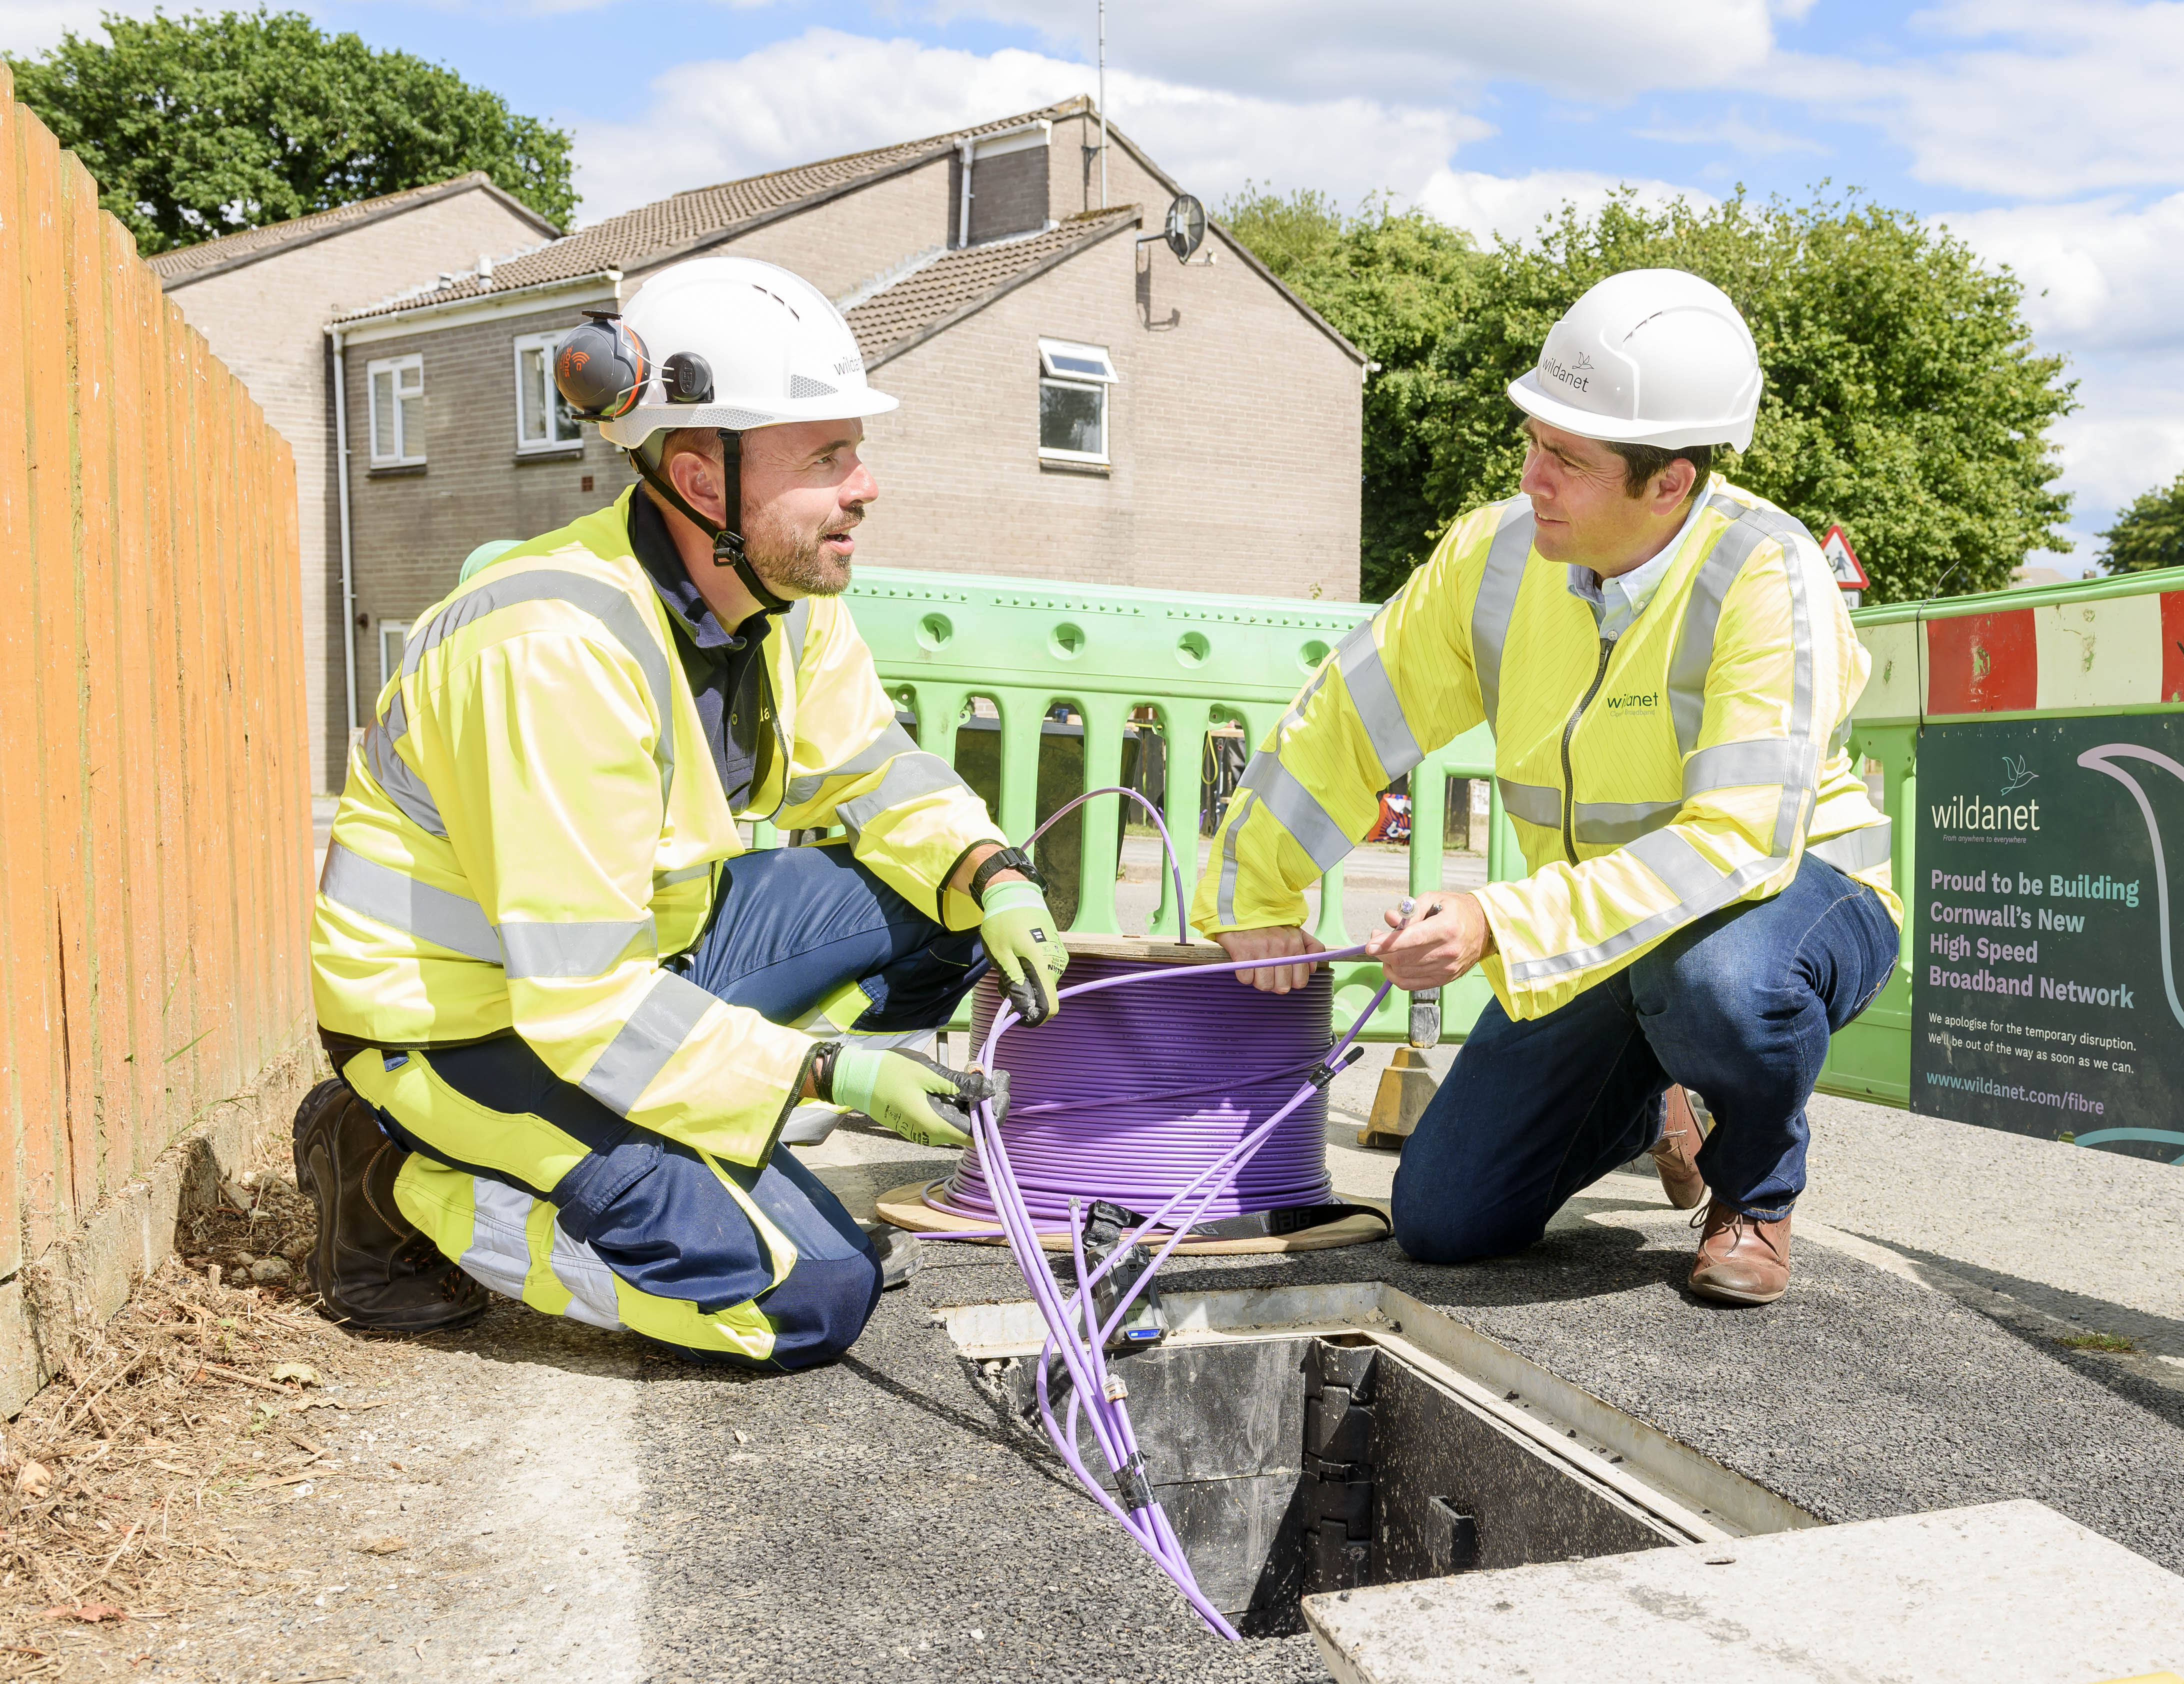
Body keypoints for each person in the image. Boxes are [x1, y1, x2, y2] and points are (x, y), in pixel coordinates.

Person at [298, 256, 1068, 1367]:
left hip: (637, 966)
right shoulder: (552, 651)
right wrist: (819, 1075)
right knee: (807, 1299)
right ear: (706, 482)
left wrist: (992, 874)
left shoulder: (781, 592)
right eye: (827, 457)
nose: (866, 485)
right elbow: (580, 1002)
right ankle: (398, 1173)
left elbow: (872, 767)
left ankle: (706, 1130)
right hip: (470, 1030)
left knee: (943, 906)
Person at [1192, 269, 1902, 1305]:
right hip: (1604, 932)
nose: (1531, 477)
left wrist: (1497, 920)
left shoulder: (1767, 573)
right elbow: (1347, 718)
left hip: (1790, 901)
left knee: (1716, 985)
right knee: (1444, 1221)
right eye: (1532, 440)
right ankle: (1656, 1099)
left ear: (1670, 482)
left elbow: (1738, 843)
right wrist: (1252, 897)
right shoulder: (1492, 555)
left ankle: (1754, 1189)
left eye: (1567, 459)